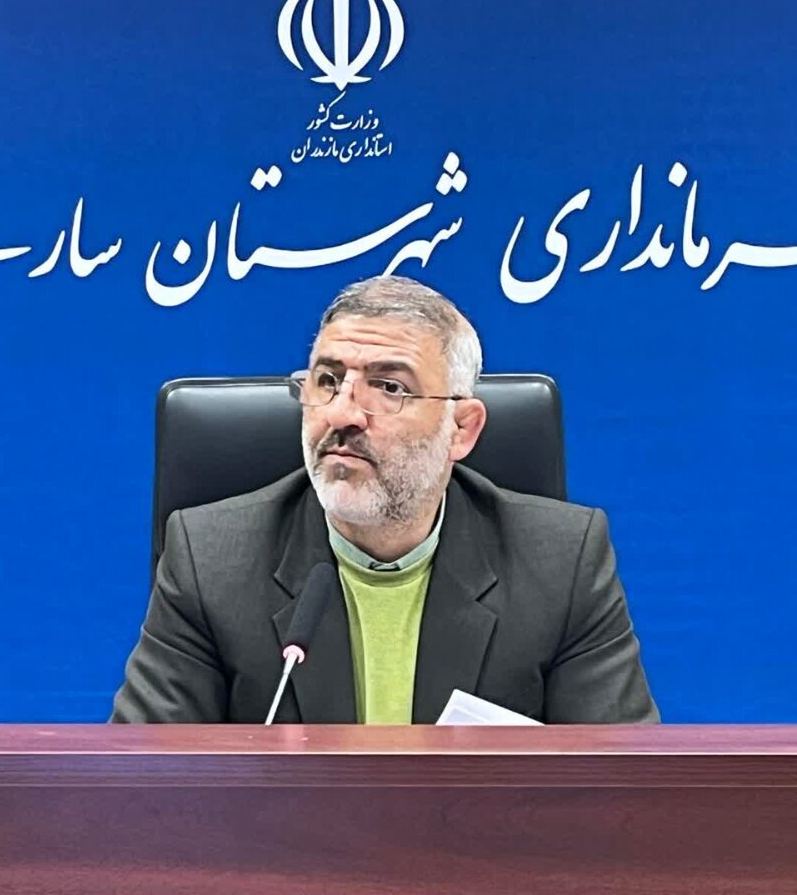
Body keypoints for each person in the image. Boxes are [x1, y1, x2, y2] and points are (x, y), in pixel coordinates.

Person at [111, 275, 658, 724]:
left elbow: (623, 791)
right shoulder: (210, 559)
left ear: (461, 429)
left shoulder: (561, 563)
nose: (343, 413)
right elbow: (141, 789)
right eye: (328, 380)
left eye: (390, 387)